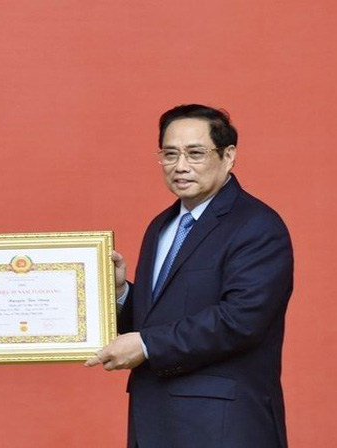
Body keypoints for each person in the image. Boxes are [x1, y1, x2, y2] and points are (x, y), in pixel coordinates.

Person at [86, 104, 293, 447]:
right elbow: (163, 316)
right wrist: (122, 293)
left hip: (222, 427)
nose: (180, 166)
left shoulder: (257, 225)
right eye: (170, 154)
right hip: (154, 422)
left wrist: (148, 345)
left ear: (228, 156)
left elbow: (241, 319)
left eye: (195, 153)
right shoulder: (162, 226)